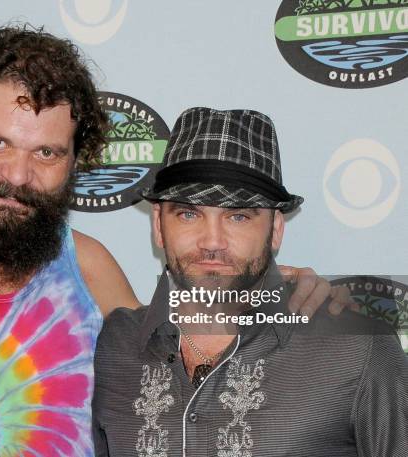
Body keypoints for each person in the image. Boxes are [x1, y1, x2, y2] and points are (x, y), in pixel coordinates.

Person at [0, 26, 344, 457]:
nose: (16, 174)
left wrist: (270, 296)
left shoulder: (88, 268)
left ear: (75, 163)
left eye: (47, 154)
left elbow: (178, 375)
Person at [93, 107, 407, 456]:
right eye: (188, 213)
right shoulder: (109, 349)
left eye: (239, 216)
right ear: (158, 225)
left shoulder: (357, 349)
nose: (212, 241)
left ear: (275, 230)